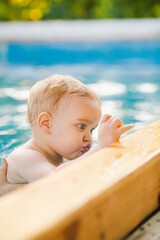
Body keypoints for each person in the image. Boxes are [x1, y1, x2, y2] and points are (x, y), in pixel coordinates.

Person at [0, 74, 133, 192]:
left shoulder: (62, 154)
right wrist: (101, 147)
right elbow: (56, 181)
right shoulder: (25, 157)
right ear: (46, 123)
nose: (89, 138)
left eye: (92, 130)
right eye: (81, 126)